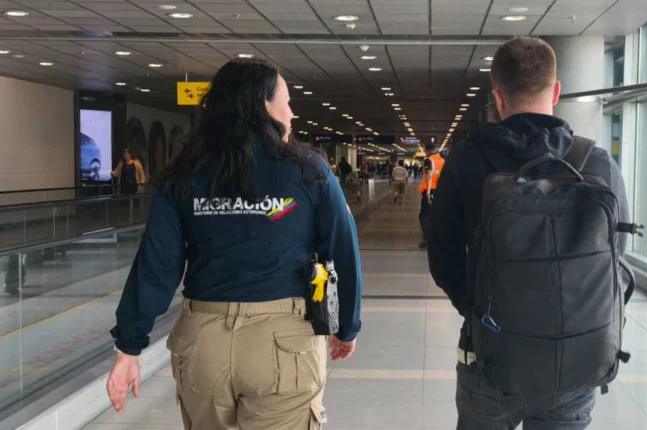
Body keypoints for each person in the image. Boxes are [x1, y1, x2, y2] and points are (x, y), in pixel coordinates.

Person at [106, 59, 362, 430]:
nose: (292, 113)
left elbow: (156, 265)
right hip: (284, 343)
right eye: (287, 102)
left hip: (202, 343)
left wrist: (128, 346)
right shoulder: (309, 171)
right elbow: (342, 249)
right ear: (264, 106)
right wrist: (346, 326)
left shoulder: (183, 174)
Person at [428, 37, 632, 429]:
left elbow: (443, 260)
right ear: (555, 92)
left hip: (492, 358)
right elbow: (616, 257)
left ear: (497, 97)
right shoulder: (597, 163)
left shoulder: (466, 161)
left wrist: (479, 309)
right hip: (575, 361)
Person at [418, 143, 444, 249]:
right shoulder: (442, 160)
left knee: (423, 216)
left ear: (426, 151)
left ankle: (430, 239)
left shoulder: (428, 160)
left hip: (430, 190)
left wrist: (428, 193)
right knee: (434, 215)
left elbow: (429, 176)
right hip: (440, 190)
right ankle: (426, 239)